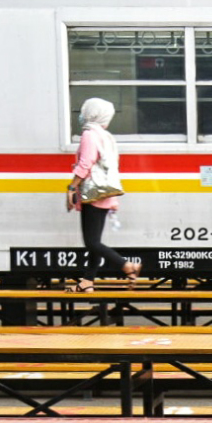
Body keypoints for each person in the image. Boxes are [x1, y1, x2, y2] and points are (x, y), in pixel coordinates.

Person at [67, 97, 139, 292]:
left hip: (93, 193)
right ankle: (87, 282)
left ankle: (126, 265)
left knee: (91, 242)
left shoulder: (89, 135)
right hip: (104, 192)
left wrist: (72, 187)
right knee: (95, 242)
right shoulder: (107, 136)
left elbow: (86, 163)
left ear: (91, 113)